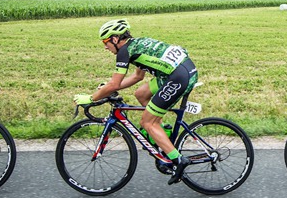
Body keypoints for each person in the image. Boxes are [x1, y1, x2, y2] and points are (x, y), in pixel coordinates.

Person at [74, 19, 197, 175]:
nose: (105, 46)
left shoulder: (125, 52)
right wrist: (108, 87)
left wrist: (91, 98)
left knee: (146, 122)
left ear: (115, 39)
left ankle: (178, 161)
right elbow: (137, 77)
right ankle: (161, 134)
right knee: (141, 94)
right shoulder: (135, 45)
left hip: (179, 78)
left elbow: (114, 84)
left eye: (106, 42)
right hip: (178, 73)